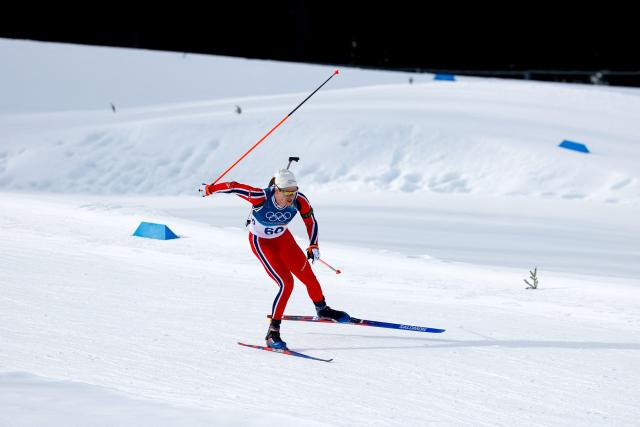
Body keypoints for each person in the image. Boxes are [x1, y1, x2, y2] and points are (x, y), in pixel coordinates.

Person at [202, 168, 350, 349]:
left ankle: (322, 310)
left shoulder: (300, 200)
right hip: (262, 242)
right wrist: (211, 189)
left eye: (293, 192)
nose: (291, 197)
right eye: (287, 193)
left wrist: (313, 245)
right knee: (286, 283)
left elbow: (311, 222)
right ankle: (272, 333)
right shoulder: (261, 197)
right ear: (276, 189)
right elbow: (234, 187)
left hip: (283, 240)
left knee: (308, 276)